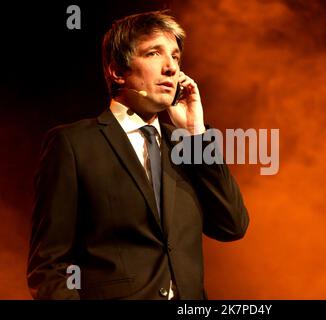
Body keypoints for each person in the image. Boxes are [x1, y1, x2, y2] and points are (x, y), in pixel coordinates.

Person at [27, 10, 249, 300]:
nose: (171, 67)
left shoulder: (187, 145)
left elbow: (231, 225)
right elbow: (48, 266)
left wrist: (196, 133)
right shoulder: (73, 144)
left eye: (176, 56)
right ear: (117, 71)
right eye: (154, 53)